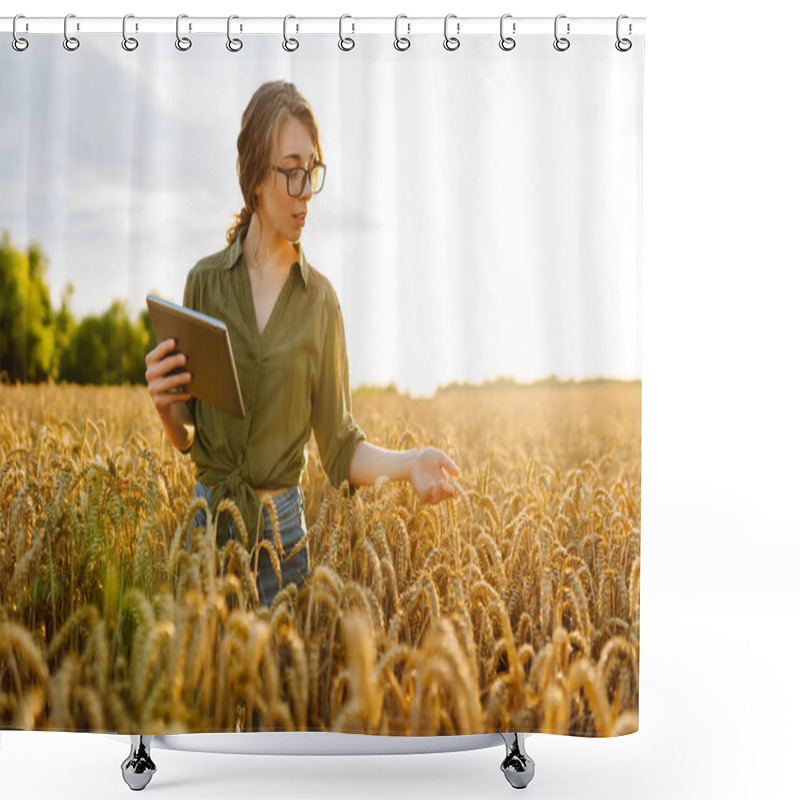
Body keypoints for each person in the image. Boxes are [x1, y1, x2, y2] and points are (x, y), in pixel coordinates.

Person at [145, 80, 460, 607]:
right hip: (205, 533)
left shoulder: (321, 304)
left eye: (311, 169)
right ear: (255, 179)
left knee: (281, 688)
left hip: (282, 543)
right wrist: (165, 405)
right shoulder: (203, 284)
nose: (305, 188)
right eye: (291, 170)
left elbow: (339, 445)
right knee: (204, 690)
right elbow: (187, 437)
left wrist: (410, 464)